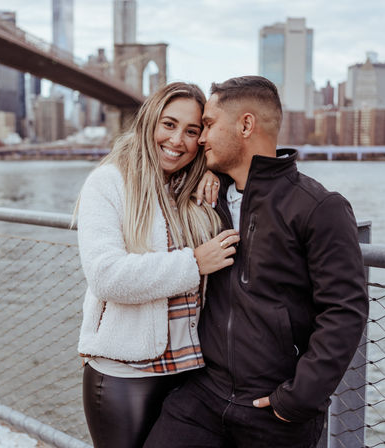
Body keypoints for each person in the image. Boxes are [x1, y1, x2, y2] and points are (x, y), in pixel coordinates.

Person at [144, 76, 369, 447]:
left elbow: (345, 311)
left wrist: (297, 399)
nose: (201, 138)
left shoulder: (318, 207)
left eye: (210, 125)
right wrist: (203, 174)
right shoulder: (207, 197)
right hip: (202, 394)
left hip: (274, 409)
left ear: (246, 125)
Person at [76, 81, 241, 448]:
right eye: (169, 124)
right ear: (150, 121)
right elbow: (106, 277)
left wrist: (213, 175)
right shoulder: (109, 183)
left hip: (192, 372)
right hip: (125, 374)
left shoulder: (196, 188)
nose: (177, 140)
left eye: (191, 131)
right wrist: (194, 263)